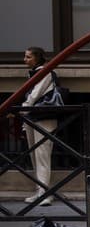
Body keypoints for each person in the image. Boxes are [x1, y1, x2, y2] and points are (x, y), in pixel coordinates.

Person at [21, 46, 57, 205]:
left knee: (42, 156)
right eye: (25, 56)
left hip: (43, 117)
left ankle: (44, 194)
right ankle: (41, 191)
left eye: (28, 57)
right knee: (36, 156)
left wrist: (22, 109)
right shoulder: (34, 73)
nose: (25, 60)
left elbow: (35, 95)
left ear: (38, 58)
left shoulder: (45, 72)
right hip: (33, 117)